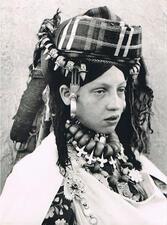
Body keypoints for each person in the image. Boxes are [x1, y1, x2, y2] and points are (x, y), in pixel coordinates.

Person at [0, 6, 167, 225]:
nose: (116, 105)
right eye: (100, 91)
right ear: (68, 94)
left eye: (120, 90)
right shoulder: (37, 178)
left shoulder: (134, 161)